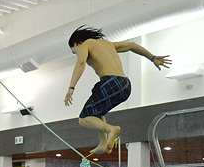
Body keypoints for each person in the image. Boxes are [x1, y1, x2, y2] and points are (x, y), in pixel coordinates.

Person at [64, 26, 171, 154]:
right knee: (97, 112)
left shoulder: (85, 45)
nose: (76, 53)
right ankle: (103, 142)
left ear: (75, 43)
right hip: (125, 85)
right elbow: (131, 45)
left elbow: (81, 63)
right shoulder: (108, 44)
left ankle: (110, 129)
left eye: (74, 51)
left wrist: (71, 87)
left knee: (84, 118)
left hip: (110, 82)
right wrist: (153, 58)